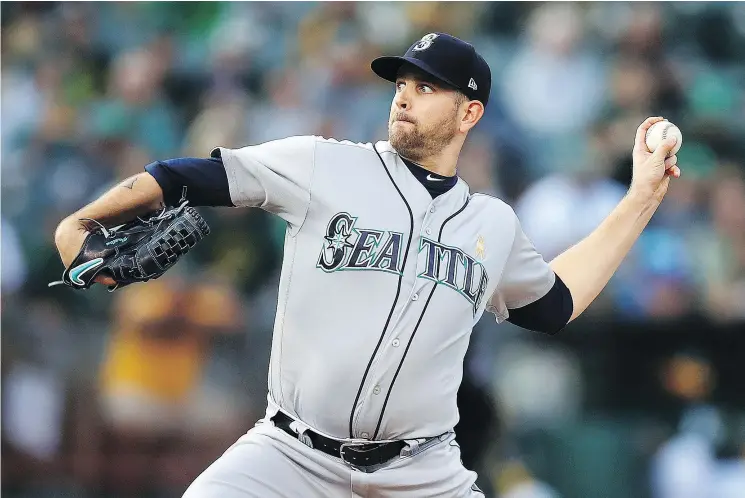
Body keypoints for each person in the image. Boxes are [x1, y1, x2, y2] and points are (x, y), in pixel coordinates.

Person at [54, 33, 681, 497]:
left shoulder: (493, 224)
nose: (405, 98)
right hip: (290, 455)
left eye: (427, 86)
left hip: (423, 472)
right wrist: (79, 223)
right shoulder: (323, 164)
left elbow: (555, 304)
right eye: (401, 84)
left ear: (471, 112)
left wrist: (642, 196)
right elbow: (185, 175)